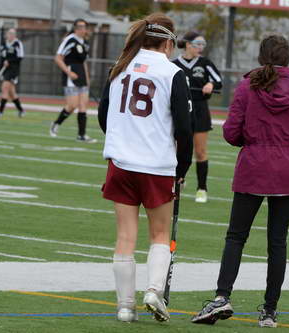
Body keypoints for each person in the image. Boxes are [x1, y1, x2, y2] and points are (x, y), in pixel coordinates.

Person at [191, 35, 289, 328]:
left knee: (236, 236)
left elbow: (231, 132)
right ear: (288, 58)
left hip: (254, 167)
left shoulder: (248, 86)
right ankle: (270, 311)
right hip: (288, 169)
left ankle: (222, 297)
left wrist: (256, 140)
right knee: (278, 242)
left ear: (262, 58)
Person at [97, 13, 193, 323]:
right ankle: (154, 290)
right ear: (168, 42)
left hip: (121, 164)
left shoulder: (120, 67)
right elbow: (184, 129)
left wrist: (123, 139)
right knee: (160, 233)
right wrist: (183, 168)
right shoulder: (172, 72)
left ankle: (125, 307)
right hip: (156, 166)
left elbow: (103, 114)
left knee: (125, 236)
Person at [173, 32, 222, 203]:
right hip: (180, 110)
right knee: (177, 148)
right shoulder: (174, 64)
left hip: (200, 109)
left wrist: (210, 84)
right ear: (187, 44)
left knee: (200, 151)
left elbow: (218, 80)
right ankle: (179, 180)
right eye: (197, 44)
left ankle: (202, 188)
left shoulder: (205, 63)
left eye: (203, 44)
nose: (200, 48)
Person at [50, 19, 96, 143]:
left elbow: (84, 62)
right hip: (71, 75)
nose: (82, 29)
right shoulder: (69, 40)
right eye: (79, 26)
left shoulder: (85, 43)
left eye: (84, 26)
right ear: (75, 28)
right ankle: (56, 124)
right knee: (72, 105)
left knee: (83, 105)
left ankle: (82, 135)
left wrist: (87, 78)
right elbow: (58, 58)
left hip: (81, 75)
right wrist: (69, 72)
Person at [0, 28, 25, 118]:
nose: (10, 35)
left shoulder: (17, 44)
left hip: (13, 70)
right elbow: (2, 57)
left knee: (4, 88)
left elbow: (20, 57)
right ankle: (21, 110)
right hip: (5, 70)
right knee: (12, 93)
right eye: (9, 34)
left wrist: (10, 61)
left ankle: (0, 112)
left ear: (15, 35)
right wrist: (0, 68)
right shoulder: (4, 44)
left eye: (12, 34)